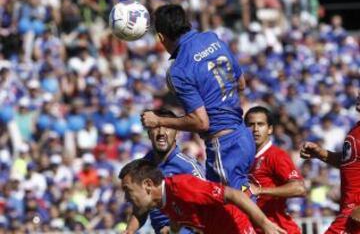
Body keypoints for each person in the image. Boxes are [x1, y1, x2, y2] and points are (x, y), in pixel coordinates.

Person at [141, 4, 255, 191]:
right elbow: (241, 83)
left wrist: (158, 120)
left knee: (238, 211)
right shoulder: (212, 39)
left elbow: (201, 122)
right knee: (219, 211)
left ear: (161, 37)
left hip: (224, 146)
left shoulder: (178, 70)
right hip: (243, 136)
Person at [119, 159, 286, 234]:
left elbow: (234, 194)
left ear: (148, 185)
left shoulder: (179, 186)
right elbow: (180, 214)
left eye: (128, 190)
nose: (126, 198)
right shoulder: (162, 202)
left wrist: (266, 225)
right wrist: (172, 230)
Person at [125, 109, 205, 234]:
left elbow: (207, 207)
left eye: (168, 127)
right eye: (156, 127)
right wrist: (129, 230)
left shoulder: (188, 167)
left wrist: (175, 227)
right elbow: (141, 208)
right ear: (149, 133)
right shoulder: (143, 167)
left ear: (177, 133)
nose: (161, 133)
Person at [300, 90, 360, 234]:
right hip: (350, 213)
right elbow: (350, 163)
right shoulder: (356, 129)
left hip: (354, 212)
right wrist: (322, 154)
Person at [244, 106, 306, 233]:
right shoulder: (243, 158)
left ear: (270, 129)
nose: (255, 129)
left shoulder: (276, 155)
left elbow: (299, 188)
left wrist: (260, 190)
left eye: (260, 124)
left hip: (280, 229)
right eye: (251, 125)